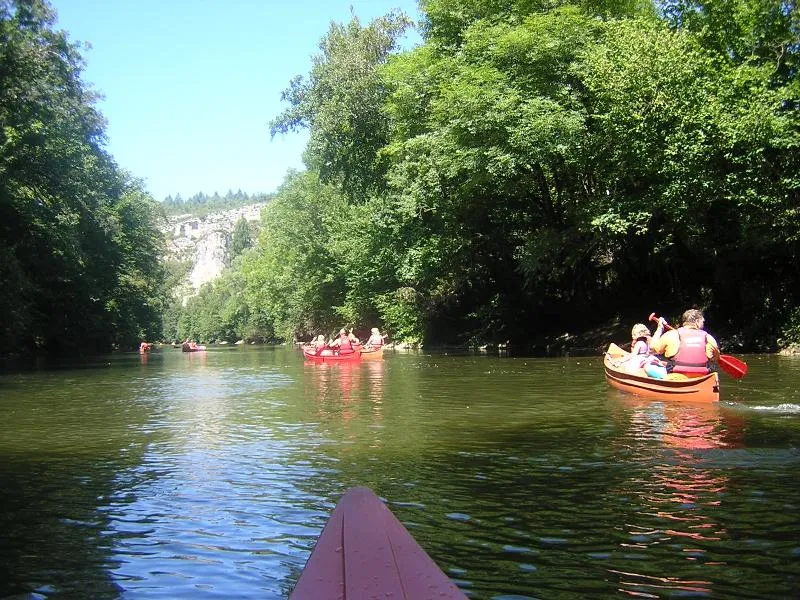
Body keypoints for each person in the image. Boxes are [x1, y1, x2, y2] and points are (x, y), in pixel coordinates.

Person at [650, 309, 720, 374]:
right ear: (697, 321)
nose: (703, 324)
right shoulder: (708, 337)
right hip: (702, 376)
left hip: (676, 375)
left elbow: (653, 348)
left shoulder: (672, 334)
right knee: (712, 368)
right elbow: (715, 358)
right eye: (702, 322)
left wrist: (660, 328)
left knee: (652, 364)